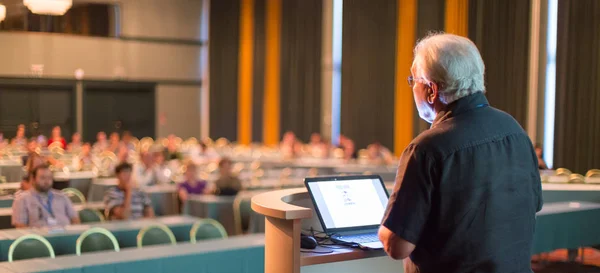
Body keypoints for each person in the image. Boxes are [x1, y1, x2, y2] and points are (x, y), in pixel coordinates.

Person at [378, 34, 542, 273]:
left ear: (431, 91)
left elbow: (397, 246)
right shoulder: (515, 131)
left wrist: (383, 227)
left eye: (413, 79)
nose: (412, 86)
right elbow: (532, 206)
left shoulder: (426, 149)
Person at [11, 164, 80, 228]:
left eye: (49, 178)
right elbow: (20, 226)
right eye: (42, 178)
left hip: (64, 236)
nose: (47, 181)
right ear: (33, 179)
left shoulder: (62, 196)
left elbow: (75, 219)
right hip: (39, 239)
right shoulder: (22, 200)